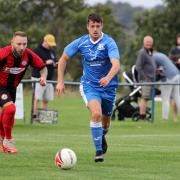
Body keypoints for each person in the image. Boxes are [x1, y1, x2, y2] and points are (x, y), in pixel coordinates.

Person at [56, 13, 120, 162]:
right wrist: (60, 81)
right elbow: (63, 59)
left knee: (106, 122)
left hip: (109, 87)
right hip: (90, 86)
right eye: (92, 26)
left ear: (102, 26)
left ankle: (101, 135)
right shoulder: (81, 42)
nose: (95, 29)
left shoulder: (109, 42)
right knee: (96, 114)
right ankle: (98, 152)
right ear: (88, 27)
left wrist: (108, 77)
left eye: (98, 26)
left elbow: (116, 64)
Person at [0, 31, 47, 154]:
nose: (22, 47)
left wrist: (43, 77)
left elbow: (43, 68)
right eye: (19, 44)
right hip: (0, 86)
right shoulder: (4, 54)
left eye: (24, 44)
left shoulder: (29, 55)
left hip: (12, 88)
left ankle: (2, 141)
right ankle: (8, 141)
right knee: (10, 109)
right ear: (12, 43)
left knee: (8, 113)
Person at [31, 34, 57, 120]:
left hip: (49, 79)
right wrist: (45, 62)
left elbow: (55, 61)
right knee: (37, 98)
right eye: (49, 43)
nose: (50, 46)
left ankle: (42, 117)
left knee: (46, 99)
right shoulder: (37, 51)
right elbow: (33, 64)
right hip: (38, 78)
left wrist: (56, 64)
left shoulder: (52, 51)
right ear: (45, 41)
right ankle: (34, 117)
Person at [153, 52, 180, 122]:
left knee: (165, 98)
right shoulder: (161, 55)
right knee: (177, 97)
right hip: (177, 74)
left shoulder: (152, 57)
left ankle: (164, 118)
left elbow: (154, 70)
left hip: (168, 77)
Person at [135, 35, 156, 120]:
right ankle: (142, 117)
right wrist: (145, 77)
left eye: (150, 42)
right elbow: (138, 67)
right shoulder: (142, 52)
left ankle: (143, 116)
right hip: (145, 80)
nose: (149, 43)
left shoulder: (149, 52)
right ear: (144, 42)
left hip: (151, 79)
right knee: (144, 98)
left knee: (146, 98)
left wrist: (156, 69)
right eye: (147, 42)